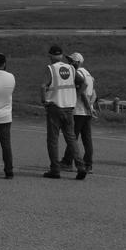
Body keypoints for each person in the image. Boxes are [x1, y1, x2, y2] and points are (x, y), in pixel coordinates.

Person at [40, 44, 86, 179]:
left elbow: (43, 86)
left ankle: (55, 169)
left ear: (50, 56)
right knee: (71, 138)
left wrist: (44, 101)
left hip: (54, 107)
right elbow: (83, 83)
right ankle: (81, 166)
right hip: (69, 108)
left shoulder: (51, 69)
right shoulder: (71, 68)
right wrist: (75, 95)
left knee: (53, 140)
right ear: (61, 56)